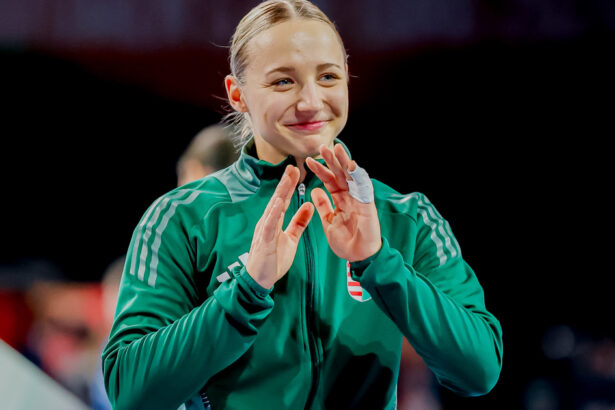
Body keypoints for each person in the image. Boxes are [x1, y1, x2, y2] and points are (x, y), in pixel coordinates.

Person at [102, 1, 504, 409]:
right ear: (237, 94)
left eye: (328, 76)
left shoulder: (406, 216)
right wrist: (246, 291)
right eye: (283, 82)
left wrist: (380, 263)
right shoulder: (181, 218)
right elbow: (130, 393)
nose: (311, 101)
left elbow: (479, 371)